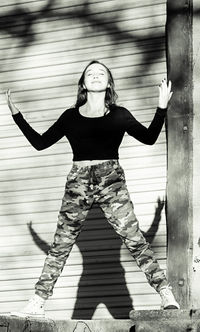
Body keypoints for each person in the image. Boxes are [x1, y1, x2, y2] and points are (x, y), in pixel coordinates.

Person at [6, 60, 180, 318]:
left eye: (101, 73)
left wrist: (161, 108)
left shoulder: (120, 114)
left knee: (134, 240)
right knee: (61, 244)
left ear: (108, 83)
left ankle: (165, 292)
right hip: (78, 181)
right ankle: (37, 301)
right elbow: (40, 143)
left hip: (111, 179)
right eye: (90, 73)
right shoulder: (70, 116)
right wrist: (16, 115)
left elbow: (149, 137)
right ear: (84, 84)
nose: (96, 76)